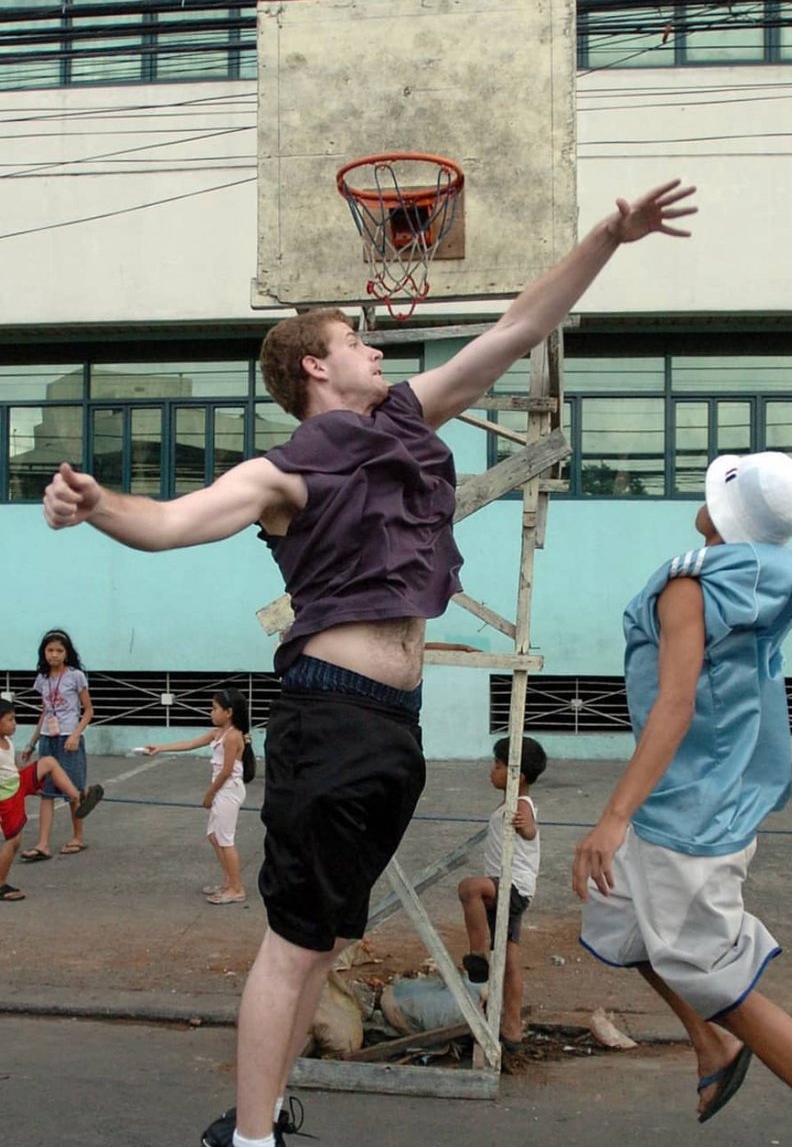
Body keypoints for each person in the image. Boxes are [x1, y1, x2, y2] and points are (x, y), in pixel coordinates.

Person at [40, 179, 698, 1147]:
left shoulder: (406, 420)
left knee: (326, 939)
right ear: (317, 362)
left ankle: (263, 1115)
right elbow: (172, 522)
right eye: (357, 337)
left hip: (394, 727)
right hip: (330, 715)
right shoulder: (282, 471)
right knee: (294, 937)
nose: (375, 345)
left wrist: (609, 236)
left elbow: (517, 330)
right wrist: (96, 504)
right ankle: (250, 1136)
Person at [573, 451, 792, 1147]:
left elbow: (673, 705)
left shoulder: (688, 586)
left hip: (686, 815)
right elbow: (778, 584)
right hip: (702, 795)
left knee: (723, 982)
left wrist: (612, 816)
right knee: (616, 913)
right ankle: (711, 1043)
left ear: (725, 516)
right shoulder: (780, 574)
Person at [458, 734, 547, 1049]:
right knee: (510, 959)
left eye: (497, 765)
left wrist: (527, 827)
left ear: (516, 775)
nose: (491, 770)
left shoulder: (521, 803)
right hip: (508, 886)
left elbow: (531, 828)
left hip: (513, 886)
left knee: (469, 889)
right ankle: (511, 1030)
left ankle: (479, 953)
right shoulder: (508, 803)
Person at [146, 689, 251, 905]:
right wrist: (161, 748)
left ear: (229, 712)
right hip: (221, 789)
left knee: (225, 839)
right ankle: (228, 881)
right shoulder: (218, 733)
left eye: (215, 708)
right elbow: (190, 743)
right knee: (214, 837)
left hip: (228, 790)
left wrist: (209, 794)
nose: (211, 712)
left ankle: (236, 888)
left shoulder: (232, 736)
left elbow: (227, 771)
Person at [0, 699, 103, 900]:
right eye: (10, 719)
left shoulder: (7, 741)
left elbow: (10, 769)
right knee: (13, 842)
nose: (15, 723)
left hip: (16, 783)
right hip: (6, 795)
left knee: (48, 762)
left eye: (15, 719)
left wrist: (31, 787)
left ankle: (77, 797)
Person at [20, 628, 95, 861]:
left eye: (59, 650)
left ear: (67, 653)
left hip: (68, 739)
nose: (54, 655)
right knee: (47, 792)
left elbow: (89, 710)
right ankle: (43, 844)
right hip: (48, 739)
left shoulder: (75, 676)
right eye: (50, 650)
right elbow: (44, 711)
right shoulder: (42, 679)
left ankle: (78, 837)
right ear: (43, 653)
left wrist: (74, 735)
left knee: (72, 788)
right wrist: (32, 743)